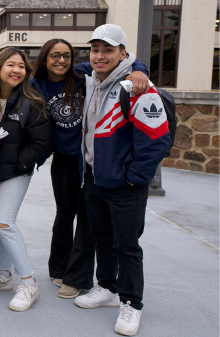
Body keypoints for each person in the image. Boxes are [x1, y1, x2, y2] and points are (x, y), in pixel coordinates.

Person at [30, 39, 149, 299]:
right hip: (62, 159)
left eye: (67, 55)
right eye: (55, 55)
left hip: (89, 159)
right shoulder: (35, 84)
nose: (61, 60)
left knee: (87, 220)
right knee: (64, 215)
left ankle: (77, 278)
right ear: (44, 58)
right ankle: (58, 268)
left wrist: (140, 70)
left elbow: (124, 61)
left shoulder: (83, 75)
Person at [73, 24, 170, 336]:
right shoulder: (92, 76)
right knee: (103, 238)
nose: (100, 56)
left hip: (124, 185)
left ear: (123, 53)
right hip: (95, 179)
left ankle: (132, 304)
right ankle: (108, 289)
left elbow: (156, 140)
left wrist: (134, 179)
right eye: (95, 49)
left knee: (127, 245)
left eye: (108, 50)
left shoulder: (138, 87)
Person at [0, 48, 51, 312]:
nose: (17, 70)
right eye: (11, 64)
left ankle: (29, 282)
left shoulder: (32, 102)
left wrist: (20, 164)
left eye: (21, 66)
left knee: (3, 222)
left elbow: (41, 142)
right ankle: (4, 274)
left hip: (15, 171)